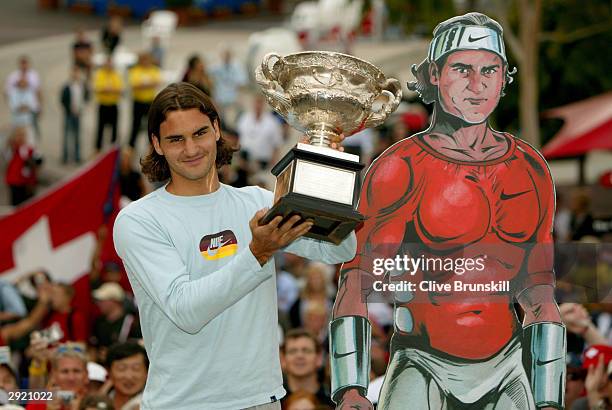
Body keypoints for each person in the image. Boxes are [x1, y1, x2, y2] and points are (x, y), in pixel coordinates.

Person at [330, 12, 565, 410]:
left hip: (508, 367)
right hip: (421, 364)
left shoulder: (531, 167)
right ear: (435, 74)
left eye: (490, 69)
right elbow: (356, 280)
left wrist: (549, 397)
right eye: (463, 69)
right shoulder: (399, 167)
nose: (478, 85)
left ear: (504, 77)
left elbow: (539, 291)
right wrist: (350, 387)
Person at [112, 82, 356, 409]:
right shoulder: (138, 220)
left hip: (261, 398)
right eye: (175, 139)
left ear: (216, 129)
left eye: (199, 133)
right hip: (183, 402)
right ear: (157, 144)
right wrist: (257, 253)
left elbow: (339, 250)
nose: (191, 149)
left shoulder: (254, 201)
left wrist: (322, 173)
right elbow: (186, 310)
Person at [281, 329, 333, 408]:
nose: (299, 356)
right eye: (292, 351)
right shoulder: (275, 401)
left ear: (319, 358)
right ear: (283, 359)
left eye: (306, 351)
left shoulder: (334, 400)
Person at [236, 95, 283, 170]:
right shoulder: (244, 118)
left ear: (264, 104)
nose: (258, 106)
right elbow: (238, 137)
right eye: (256, 102)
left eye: (260, 103)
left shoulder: (272, 122)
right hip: (244, 160)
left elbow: (277, 144)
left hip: (262, 162)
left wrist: (273, 164)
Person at [127, 52, 162, 149]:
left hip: (150, 102)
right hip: (138, 102)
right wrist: (147, 84)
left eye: (147, 59)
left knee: (151, 125)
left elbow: (157, 82)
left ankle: (151, 147)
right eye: (143, 60)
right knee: (135, 126)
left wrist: (142, 85)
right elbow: (134, 85)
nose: (145, 62)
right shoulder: (135, 70)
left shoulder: (154, 69)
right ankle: (131, 148)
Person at [101, 342, 148, 410]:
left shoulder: (153, 404)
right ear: (109, 372)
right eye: (121, 369)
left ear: (147, 372)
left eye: (136, 369)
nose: (129, 376)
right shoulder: (100, 401)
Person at [5, 56, 42, 139]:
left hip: (32, 110)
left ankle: (33, 149)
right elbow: (7, 92)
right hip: (17, 112)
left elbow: (38, 92)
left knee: (32, 131)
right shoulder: (13, 76)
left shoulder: (33, 75)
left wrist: (40, 107)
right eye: (22, 64)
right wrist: (13, 105)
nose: (24, 66)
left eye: (26, 63)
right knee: (18, 134)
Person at [60, 66, 89, 164]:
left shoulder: (82, 86)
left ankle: (77, 156)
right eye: (74, 73)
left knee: (77, 136)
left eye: (77, 73)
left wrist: (81, 109)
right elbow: (63, 100)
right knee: (67, 135)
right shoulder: (67, 86)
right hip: (69, 114)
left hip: (78, 114)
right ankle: (65, 156)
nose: (76, 75)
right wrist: (69, 109)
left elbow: (85, 98)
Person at [93, 57, 123, 153]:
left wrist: (107, 89)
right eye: (107, 64)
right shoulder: (100, 74)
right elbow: (98, 88)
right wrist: (110, 89)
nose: (109, 66)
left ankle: (113, 149)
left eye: (110, 64)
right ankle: (98, 149)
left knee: (114, 127)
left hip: (113, 104)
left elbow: (119, 89)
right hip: (103, 104)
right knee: (100, 128)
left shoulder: (116, 74)